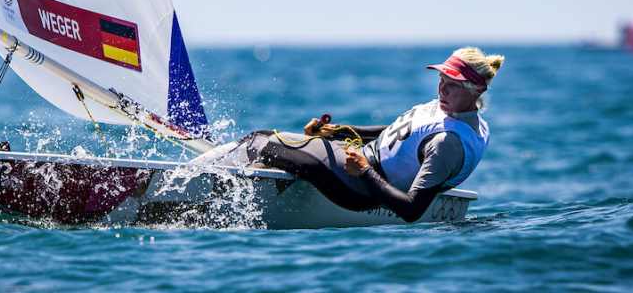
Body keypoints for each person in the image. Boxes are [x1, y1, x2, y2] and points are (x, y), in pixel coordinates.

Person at [208, 47, 503, 222]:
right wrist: (336, 132)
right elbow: (395, 135)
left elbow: (412, 210)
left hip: (357, 187)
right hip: (358, 163)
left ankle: (203, 186)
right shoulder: (450, 111)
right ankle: (247, 175)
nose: (441, 88)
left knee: (260, 141)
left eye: (452, 84)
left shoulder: (447, 143)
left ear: (477, 91)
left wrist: (363, 172)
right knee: (271, 142)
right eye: (441, 79)